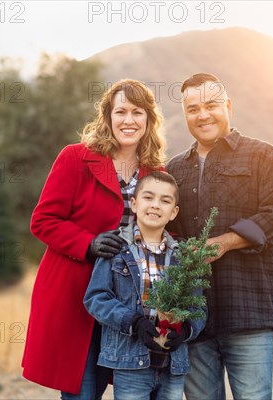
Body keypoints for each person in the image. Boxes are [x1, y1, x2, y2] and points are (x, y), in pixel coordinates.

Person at [22, 79, 166, 399]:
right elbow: (43, 221)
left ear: (149, 119)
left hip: (129, 304)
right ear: (108, 116)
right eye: (121, 111)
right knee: (83, 392)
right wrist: (87, 244)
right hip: (76, 295)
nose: (129, 120)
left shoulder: (157, 172)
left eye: (138, 112)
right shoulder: (75, 158)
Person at [166, 73, 273, 400]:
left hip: (248, 312)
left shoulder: (264, 157)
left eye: (211, 105)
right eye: (193, 108)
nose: (203, 114)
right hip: (193, 319)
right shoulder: (174, 169)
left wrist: (224, 242)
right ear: (185, 115)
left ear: (228, 106)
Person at [84, 171, 206, 400]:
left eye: (165, 200)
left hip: (173, 364)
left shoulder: (184, 257)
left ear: (174, 212)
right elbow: (96, 298)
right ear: (134, 203)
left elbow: (198, 307)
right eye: (148, 197)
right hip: (130, 364)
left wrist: (186, 330)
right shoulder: (116, 249)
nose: (155, 205)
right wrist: (134, 322)